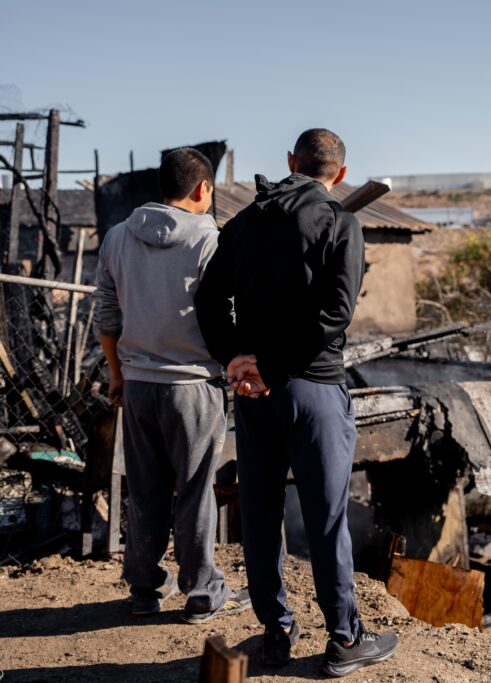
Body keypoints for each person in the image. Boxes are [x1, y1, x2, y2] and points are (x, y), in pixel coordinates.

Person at [195, 129, 397, 677]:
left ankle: (276, 629)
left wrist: (237, 359)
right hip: (313, 390)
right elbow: (334, 315)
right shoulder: (340, 222)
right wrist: (269, 366)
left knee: (260, 514)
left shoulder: (245, 222)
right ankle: (344, 639)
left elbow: (208, 297)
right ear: (341, 175)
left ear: (291, 162)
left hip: (255, 396)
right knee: (327, 516)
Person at [92, 148, 250, 622]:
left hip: (138, 385)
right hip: (193, 387)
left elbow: (105, 315)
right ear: (203, 189)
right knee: (196, 490)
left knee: (144, 492)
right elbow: (231, 316)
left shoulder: (119, 236)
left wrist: (118, 376)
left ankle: (144, 590)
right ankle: (200, 592)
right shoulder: (210, 240)